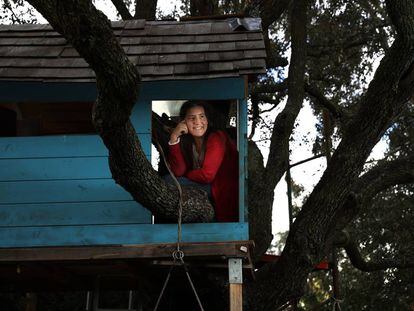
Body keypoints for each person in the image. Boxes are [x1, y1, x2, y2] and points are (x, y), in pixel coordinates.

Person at [167, 101, 239, 222]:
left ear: (207, 119)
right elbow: (178, 171)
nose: (198, 122)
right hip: (208, 187)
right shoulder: (188, 141)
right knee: (168, 181)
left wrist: (188, 174)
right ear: (183, 122)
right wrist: (174, 138)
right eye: (191, 118)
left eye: (202, 116)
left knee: (167, 181)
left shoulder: (216, 137)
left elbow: (207, 175)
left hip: (223, 189)